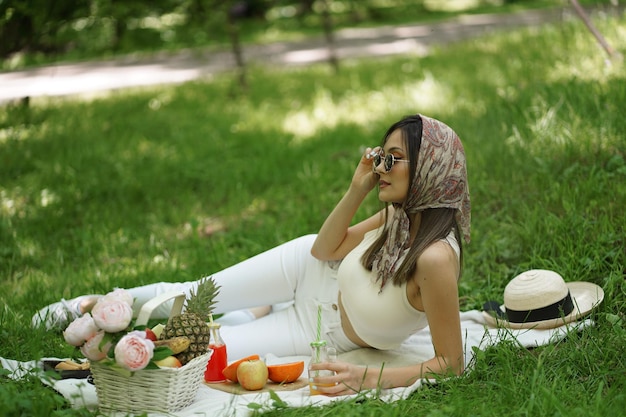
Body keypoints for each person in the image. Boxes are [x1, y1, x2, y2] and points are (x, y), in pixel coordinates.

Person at [33, 114, 471, 396]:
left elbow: (451, 364)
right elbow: (323, 250)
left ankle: (99, 357)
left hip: (321, 330)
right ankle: (93, 307)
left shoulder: (433, 259)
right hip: (309, 270)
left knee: (205, 350)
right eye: (381, 157)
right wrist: (357, 187)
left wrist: (367, 377)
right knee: (190, 296)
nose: (381, 169)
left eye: (393, 160)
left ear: (431, 168)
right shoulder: (398, 214)